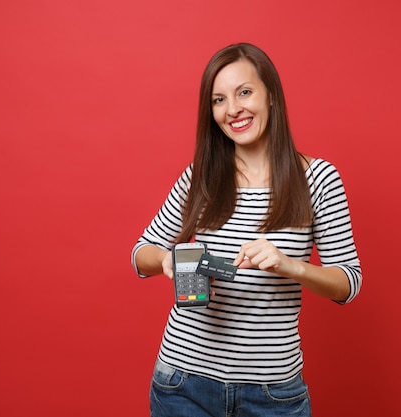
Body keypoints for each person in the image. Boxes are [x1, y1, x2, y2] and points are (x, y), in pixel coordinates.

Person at [131, 42, 362, 417]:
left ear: (270, 95)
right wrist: (166, 260)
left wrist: (288, 264)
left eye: (244, 92)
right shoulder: (200, 177)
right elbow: (141, 255)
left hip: (272, 393)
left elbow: (348, 283)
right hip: (183, 383)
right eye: (218, 100)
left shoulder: (318, 179)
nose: (233, 109)